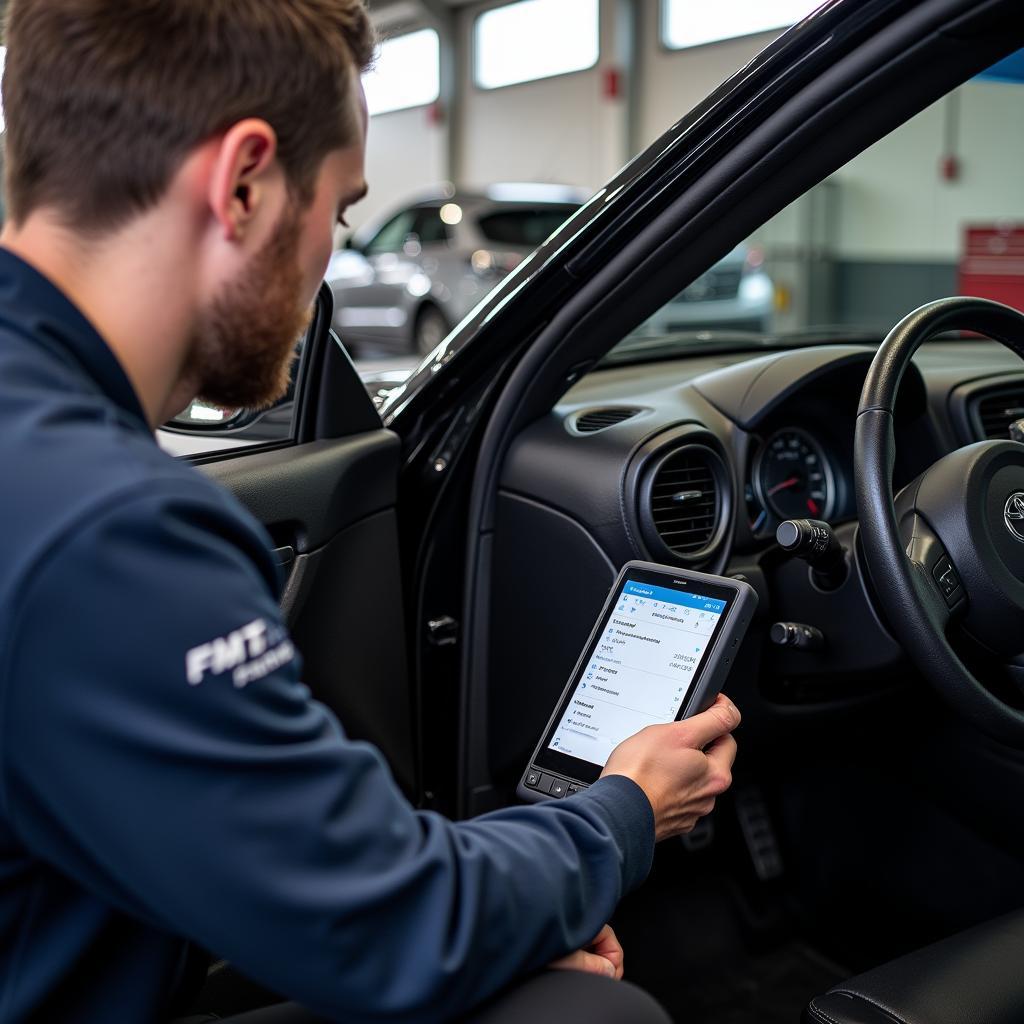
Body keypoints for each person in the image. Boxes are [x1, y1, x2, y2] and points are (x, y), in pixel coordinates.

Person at [0, 2, 741, 1021]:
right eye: (340, 212)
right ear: (245, 183)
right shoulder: (109, 532)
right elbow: (392, 923)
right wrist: (623, 811)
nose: (328, 263)